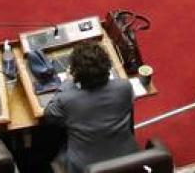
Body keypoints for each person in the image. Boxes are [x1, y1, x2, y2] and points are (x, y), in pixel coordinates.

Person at [42, 41, 138, 173]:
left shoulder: (67, 99)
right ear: (107, 67)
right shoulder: (125, 87)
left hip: (84, 167)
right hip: (128, 161)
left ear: (76, 74)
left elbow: (49, 115)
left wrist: (67, 83)